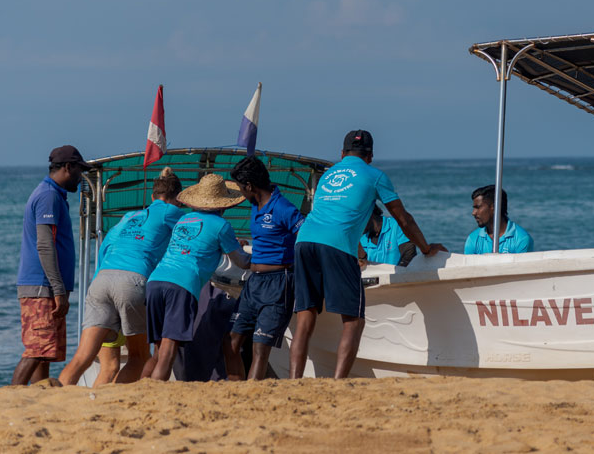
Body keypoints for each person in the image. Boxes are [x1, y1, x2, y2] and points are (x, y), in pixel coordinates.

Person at [290, 129, 447, 379]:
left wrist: (360, 252)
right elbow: (403, 220)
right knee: (353, 320)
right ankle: (339, 382)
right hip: (336, 244)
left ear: (342, 154)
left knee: (305, 315)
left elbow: (336, 217)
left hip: (304, 240)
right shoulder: (375, 175)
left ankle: (294, 380)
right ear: (370, 156)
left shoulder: (328, 175)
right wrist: (427, 249)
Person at [58, 167, 184, 387]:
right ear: (177, 199)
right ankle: (110, 400)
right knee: (139, 357)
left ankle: (56, 400)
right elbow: (197, 229)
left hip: (101, 281)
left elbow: (104, 249)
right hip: (131, 280)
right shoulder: (169, 210)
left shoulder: (128, 217)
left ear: (152, 197)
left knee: (82, 357)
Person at [141, 173, 251, 381]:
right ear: (224, 204)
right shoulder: (221, 225)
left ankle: (139, 390)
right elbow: (241, 261)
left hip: (155, 281)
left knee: (158, 352)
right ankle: (155, 390)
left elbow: (197, 244)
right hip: (181, 285)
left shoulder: (184, 219)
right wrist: (264, 258)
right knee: (169, 351)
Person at [12, 145, 90, 386]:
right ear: (67, 167)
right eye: (79, 170)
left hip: (45, 285)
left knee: (44, 352)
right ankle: (10, 396)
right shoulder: (48, 196)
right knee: (37, 349)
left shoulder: (53, 194)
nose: (81, 176)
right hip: (41, 286)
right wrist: (58, 289)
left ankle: (38, 398)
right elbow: (45, 245)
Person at [227, 156, 306, 380]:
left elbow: (305, 237)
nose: (240, 193)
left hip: (278, 283)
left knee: (260, 348)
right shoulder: (255, 206)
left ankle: (253, 393)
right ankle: (233, 390)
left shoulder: (283, 208)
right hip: (253, 283)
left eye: (240, 187)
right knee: (232, 339)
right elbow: (265, 238)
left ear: (249, 186)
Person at [464, 185, 534, 254]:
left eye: (478, 207)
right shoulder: (473, 239)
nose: (473, 213)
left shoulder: (521, 239)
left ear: (494, 207)